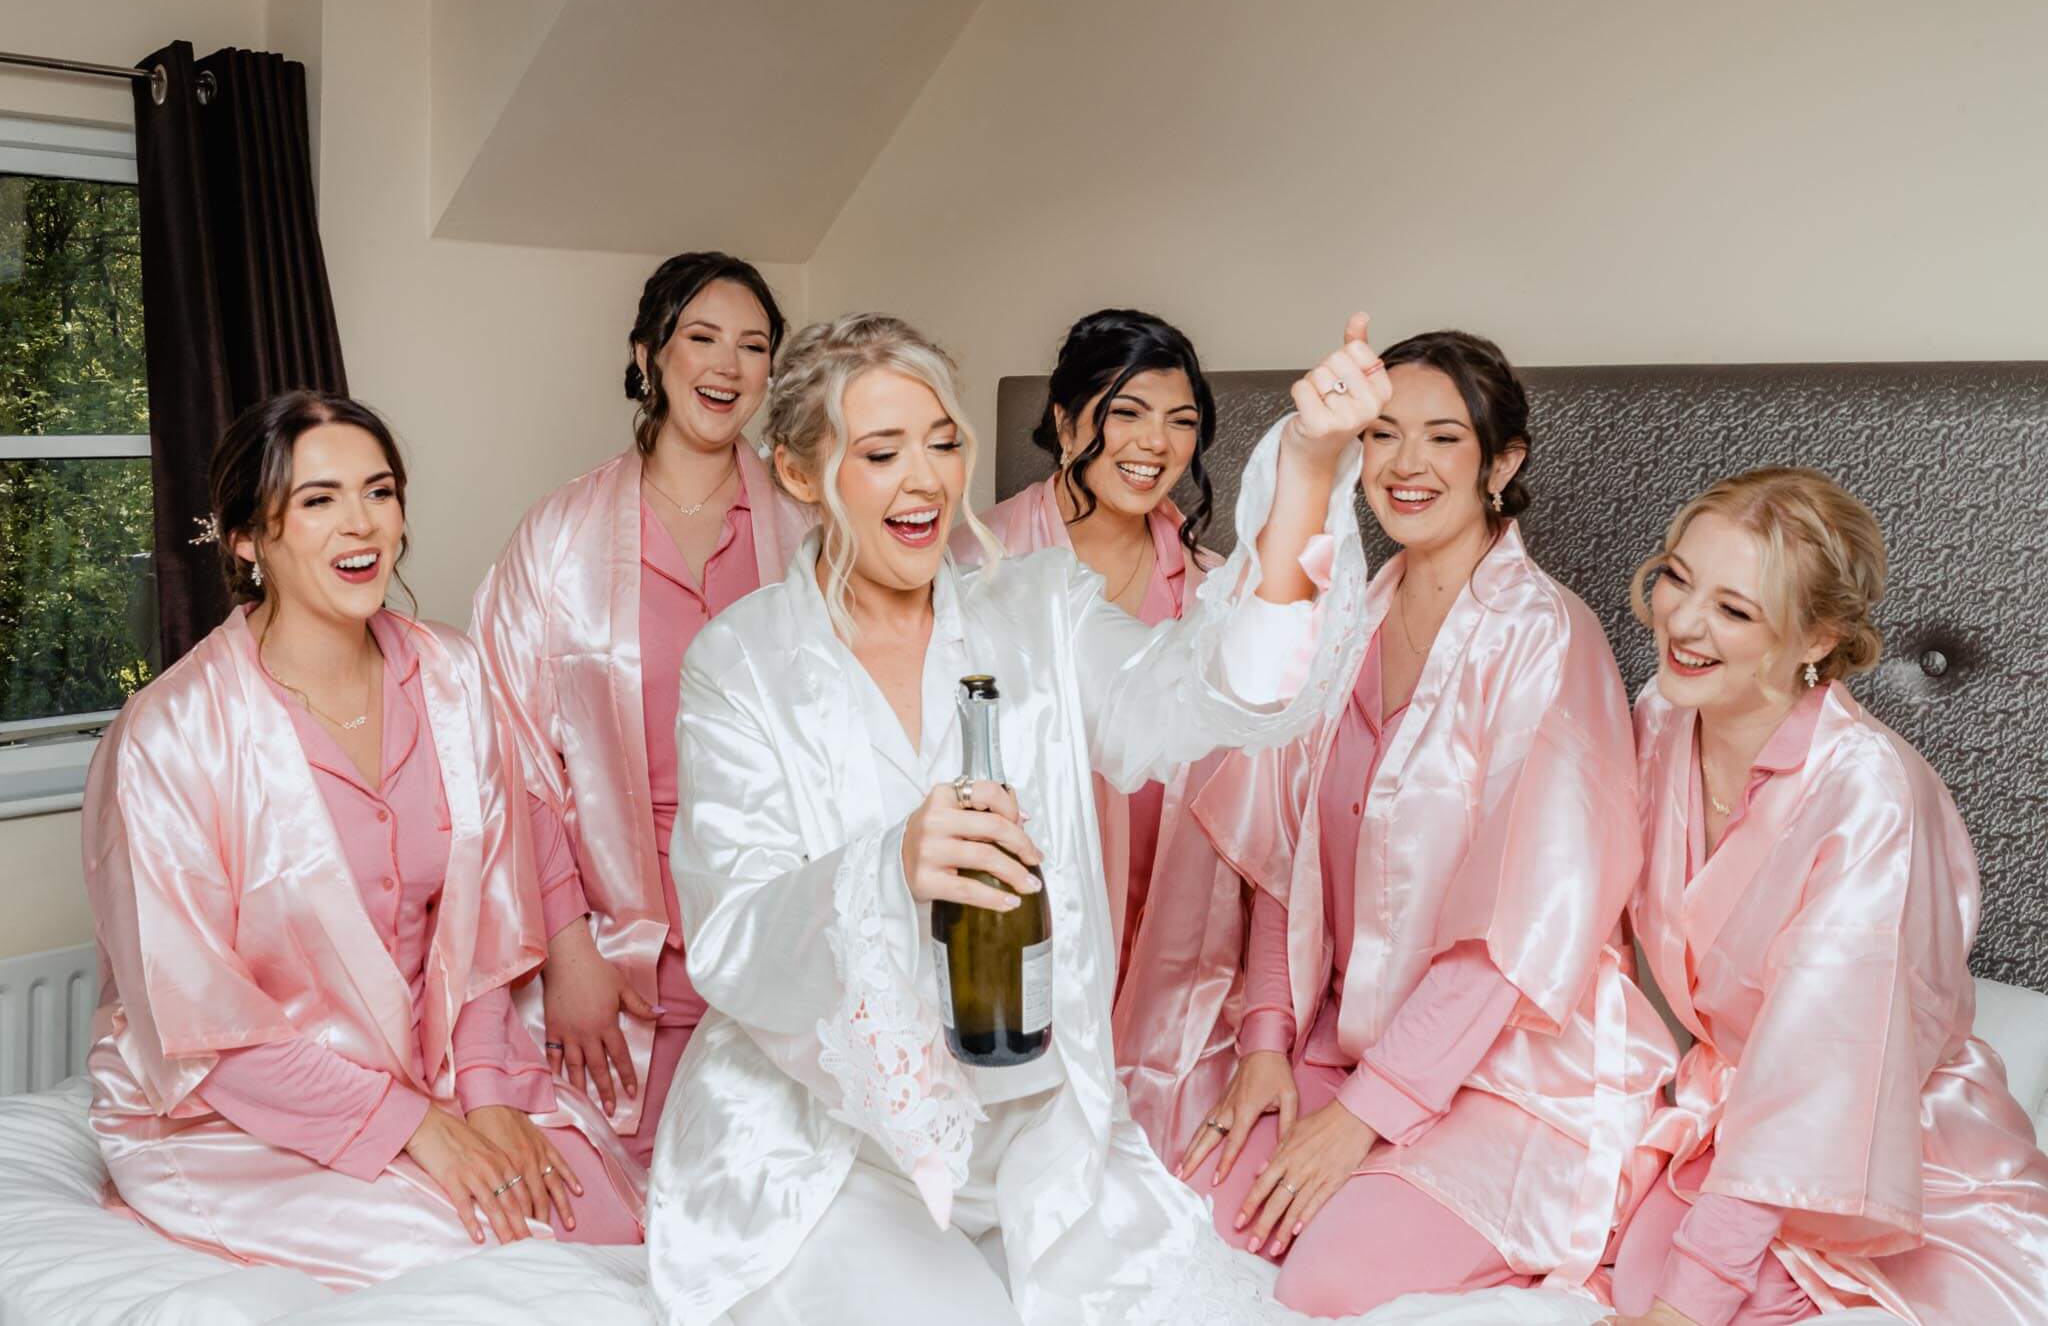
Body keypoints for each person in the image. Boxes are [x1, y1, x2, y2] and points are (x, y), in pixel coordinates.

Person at [647, 311, 1389, 1325]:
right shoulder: (738, 662)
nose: (926, 479)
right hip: (817, 1140)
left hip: (1033, 1126)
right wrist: (886, 866)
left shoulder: (1037, 605)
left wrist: (1305, 463)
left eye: (943, 441)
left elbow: (1214, 689)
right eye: (881, 451)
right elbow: (732, 938)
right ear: (794, 472)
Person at [83, 392, 641, 1289]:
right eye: (318, 500)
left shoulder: (455, 677)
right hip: (241, 1112)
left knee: (609, 1223)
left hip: (447, 1067)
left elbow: (489, 930)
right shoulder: (172, 735)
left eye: (379, 492)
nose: (362, 524)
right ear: (245, 539)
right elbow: (201, 1026)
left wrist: (488, 1099)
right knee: (472, 1262)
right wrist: (420, 1130)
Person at [1183, 331, 1677, 1316]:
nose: (1405, 465)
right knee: (1197, 1205)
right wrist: (1267, 1042)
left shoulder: (1547, 640)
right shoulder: (1343, 625)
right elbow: (1281, 857)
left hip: (1511, 1066)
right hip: (1347, 1035)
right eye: (1381, 435)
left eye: (1442, 438)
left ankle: (1602, 1203)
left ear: (1500, 464)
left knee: (1327, 1278)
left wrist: (1363, 1118)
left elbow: (1514, 937)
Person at [1603, 468, 2048, 1326]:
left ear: (1819, 637)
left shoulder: (1867, 793)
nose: (1683, 624)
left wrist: (1687, 1306)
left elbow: (1819, 1064)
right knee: (1617, 1262)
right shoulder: (1660, 716)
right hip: (1732, 1116)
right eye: (1677, 578)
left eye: (1735, 610)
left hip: (1885, 1140)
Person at [471, 251, 808, 1166]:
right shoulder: (557, 537)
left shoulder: (813, 533)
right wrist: (569, 950)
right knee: (599, 1206)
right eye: (702, 339)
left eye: (753, 345)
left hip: (777, 928)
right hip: (615, 947)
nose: (728, 366)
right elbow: (510, 760)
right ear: (649, 353)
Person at [954, 307, 1238, 1158]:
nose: (1156, 442)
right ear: (1067, 420)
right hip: (1033, 942)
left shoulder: (1215, 596)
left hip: (1177, 960)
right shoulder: (979, 569)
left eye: (1182, 421)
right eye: (1127, 411)